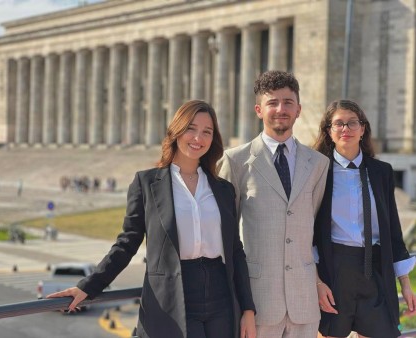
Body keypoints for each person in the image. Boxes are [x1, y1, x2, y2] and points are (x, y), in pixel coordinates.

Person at [47, 100, 256, 338]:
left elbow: (235, 250)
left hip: (221, 297)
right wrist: (88, 286)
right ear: (177, 130)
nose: (198, 137)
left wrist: (248, 309)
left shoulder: (223, 189)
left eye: (206, 132)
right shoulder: (147, 183)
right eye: (191, 128)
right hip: (173, 296)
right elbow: (127, 243)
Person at [218, 70, 330, 338]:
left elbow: (312, 228)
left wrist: (317, 280)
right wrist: (238, 301)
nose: (281, 109)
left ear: (298, 109)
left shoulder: (318, 164)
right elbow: (225, 235)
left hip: (304, 303)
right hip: (256, 304)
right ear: (259, 110)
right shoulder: (235, 160)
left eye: (288, 102)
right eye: (273, 103)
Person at [313, 99, 416, 338]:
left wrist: (405, 282)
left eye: (352, 123)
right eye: (338, 124)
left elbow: (392, 229)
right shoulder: (317, 172)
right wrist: (316, 281)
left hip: (375, 269)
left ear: (363, 129)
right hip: (335, 269)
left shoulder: (382, 172)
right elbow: (309, 231)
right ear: (329, 131)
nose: (345, 129)